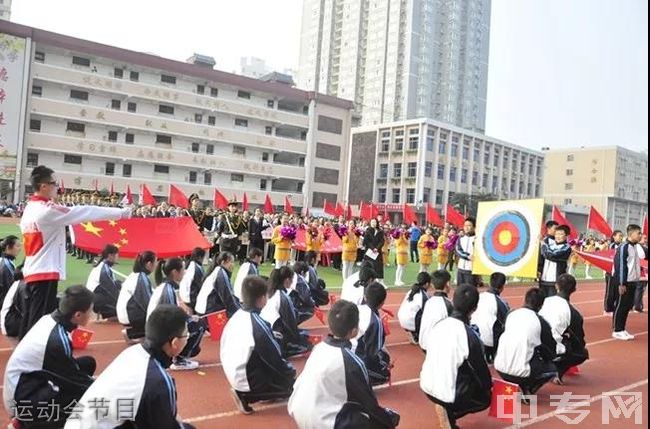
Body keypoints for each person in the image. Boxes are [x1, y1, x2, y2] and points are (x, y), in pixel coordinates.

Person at [19, 166, 131, 338]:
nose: (57, 187)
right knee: (39, 323)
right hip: (44, 272)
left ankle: (29, 352)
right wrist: (121, 213)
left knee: (31, 318)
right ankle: (35, 356)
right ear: (43, 186)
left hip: (36, 270)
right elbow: (83, 211)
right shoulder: (46, 210)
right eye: (53, 183)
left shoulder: (31, 208)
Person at [64, 305, 197, 429]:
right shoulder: (157, 380)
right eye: (186, 335)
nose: (188, 337)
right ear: (174, 343)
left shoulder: (134, 352)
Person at [288, 300, 400, 429]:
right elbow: (368, 403)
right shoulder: (351, 361)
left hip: (298, 410)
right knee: (366, 419)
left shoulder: (318, 348)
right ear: (354, 331)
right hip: (321, 421)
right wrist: (388, 419)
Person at [4, 286, 97, 428]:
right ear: (78, 315)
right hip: (22, 399)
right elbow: (76, 381)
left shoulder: (50, 319)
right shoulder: (56, 342)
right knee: (83, 401)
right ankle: (25, 422)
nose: (92, 314)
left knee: (87, 364)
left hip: (28, 383)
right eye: (90, 311)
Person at [420, 285, 492, 429]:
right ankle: (450, 411)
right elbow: (481, 371)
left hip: (426, 385)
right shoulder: (469, 335)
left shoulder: (439, 324)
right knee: (485, 397)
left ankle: (446, 408)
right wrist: (489, 386)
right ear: (475, 308)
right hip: (447, 393)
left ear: (453, 301)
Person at [221, 276, 296, 414]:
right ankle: (247, 396)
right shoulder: (257, 324)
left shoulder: (237, 315)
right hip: (244, 379)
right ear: (262, 299)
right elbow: (274, 358)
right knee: (290, 387)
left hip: (233, 370)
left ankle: (252, 389)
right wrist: (290, 374)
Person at [495, 288, 558, 399]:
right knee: (552, 368)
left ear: (525, 300)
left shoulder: (511, 314)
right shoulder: (540, 322)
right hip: (522, 373)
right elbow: (551, 350)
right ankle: (528, 390)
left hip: (500, 367)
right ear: (541, 305)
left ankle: (520, 384)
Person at [148, 258, 204, 371]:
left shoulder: (167, 287)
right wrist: (188, 319)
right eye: (183, 269)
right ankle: (179, 359)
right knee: (198, 325)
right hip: (158, 331)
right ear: (175, 272)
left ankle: (178, 356)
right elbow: (171, 315)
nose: (185, 272)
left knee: (193, 322)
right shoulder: (167, 290)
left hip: (155, 327)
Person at [539, 274, 589, 383]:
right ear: (574, 290)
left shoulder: (543, 301)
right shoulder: (573, 313)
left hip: (535, 343)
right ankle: (557, 370)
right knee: (582, 353)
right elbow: (580, 340)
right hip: (551, 348)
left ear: (556, 286)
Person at [261, 266, 311, 357]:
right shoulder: (282, 296)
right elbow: (290, 322)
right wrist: (297, 339)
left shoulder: (269, 291)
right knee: (307, 340)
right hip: (275, 334)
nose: (292, 282)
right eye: (292, 279)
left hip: (264, 330)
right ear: (287, 280)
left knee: (303, 334)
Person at [612, 224, 646, 340]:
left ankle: (622, 328)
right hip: (624, 281)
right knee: (621, 305)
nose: (640, 235)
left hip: (633, 281)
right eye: (638, 233)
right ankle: (617, 330)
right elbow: (621, 266)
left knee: (627, 306)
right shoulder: (624, 247)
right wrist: (622, 283)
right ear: (631, 234)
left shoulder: (636, 247)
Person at [354, 282, 391, 386]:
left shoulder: (356, 308)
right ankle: (359, 381)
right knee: (385, 373)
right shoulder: (375, 322)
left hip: (343, 352)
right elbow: (373, 352)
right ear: (382, 303)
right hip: (355, 359)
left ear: (365, 297)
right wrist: (384, 364)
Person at [117, 251, 157, 341]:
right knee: (160, 325)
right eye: (155, 262)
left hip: (127, 312)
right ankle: (133, 334)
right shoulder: (141, 278)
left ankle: (136, 333)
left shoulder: (138, 275)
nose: (156, 265)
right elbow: (146, 302)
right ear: (149, 264)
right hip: (130, 314)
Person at [470, 272, 510, 363]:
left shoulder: (478, 296)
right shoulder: (500, 302)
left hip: (473, 336)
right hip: (489, 342)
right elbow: (507, 321)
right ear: (502, 287)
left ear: (490, 283)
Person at [195, 251, 240, 319]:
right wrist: (239, 313)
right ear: (223, 262)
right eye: (231, 262)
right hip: (207, 311)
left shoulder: (218, 271)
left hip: (205, 308)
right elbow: (228, 298)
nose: (233, 265)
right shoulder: (220, 274)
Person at [419, 270, 454, 351]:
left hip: (424, 342)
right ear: (448, 284)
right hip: (435, 347)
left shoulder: (429, 301)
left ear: (432, 285)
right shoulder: (448, 304)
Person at [85, 244, 121, 320]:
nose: (118, 257)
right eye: (116, 255)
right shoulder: (103, 270)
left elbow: (114, 284)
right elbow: (112, 290)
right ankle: (108, 315)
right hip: (95, 300)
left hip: (96, 297)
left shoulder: (105, 267)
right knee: (124, 310)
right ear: (110, 255)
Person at [397, 272, 432, 344]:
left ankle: (413, 332)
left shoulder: (412, 290)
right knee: (429, 316)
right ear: (427, 284)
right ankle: (417, 334)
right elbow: (427, 312)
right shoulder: (423, 295)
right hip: (410, 321)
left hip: (401, 318)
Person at [539, 225, 573, 297]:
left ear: (566, 236)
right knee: (543, 303)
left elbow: (551, 255)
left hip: (556, 282)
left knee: (554, 303)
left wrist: (543, 245)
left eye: (561, 234)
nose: (558, 236)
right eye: (556, 234)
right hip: (544, 280)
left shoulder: (566, 247)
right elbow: (543, 257)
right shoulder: (550, 245)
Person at [179, 247, 206, 312]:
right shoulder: (196, 268)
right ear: (200, 257)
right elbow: (201, 285)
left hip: (184, 295)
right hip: (190, 298)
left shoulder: (189, 264)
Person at [1, 268, 26, 338]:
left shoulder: (21, 282)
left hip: (10, 319)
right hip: (8, 323)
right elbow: (24, 310)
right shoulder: (22, 284)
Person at [604, 230, 624, 314]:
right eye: (619, 235)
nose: (620, 237)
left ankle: (614, 307)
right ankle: (607, 308)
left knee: (616, 291)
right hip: (610, 272)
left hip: (618, 272)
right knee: (609, 291)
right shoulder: (611, 246)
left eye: (621, 236)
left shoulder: (622, 246)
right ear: (614, 236)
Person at [455, 217, 477, 287]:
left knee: (470, 291)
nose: (466, 228)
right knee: (460, 291)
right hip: (461, 268)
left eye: (469, 225)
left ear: (474, 227)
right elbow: (458, 250)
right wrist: (467, 256)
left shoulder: (477, 239)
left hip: (471, 269)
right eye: (465, 226)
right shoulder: (461, 238)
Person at [0, 235, 20, 305]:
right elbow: (12, 287)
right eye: (17, 246)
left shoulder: (5, 260)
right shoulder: (6, 264)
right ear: (8, 247)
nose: (20, 249)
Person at [634, 234, 648, 313]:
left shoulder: (635, 247)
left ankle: (636, 305)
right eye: (644, 238)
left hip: (637, 271)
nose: (645, 240)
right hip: (642, 271)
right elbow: (642, 257)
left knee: (637, 289)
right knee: (640, 289)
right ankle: (637, 306)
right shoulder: (641, 248)